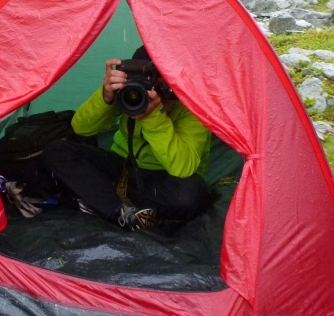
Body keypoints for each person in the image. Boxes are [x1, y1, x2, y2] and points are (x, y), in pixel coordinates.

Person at [42, 45, 212, 230]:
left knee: (192, 194)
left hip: (163, 180)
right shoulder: (131, 90)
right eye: (149, 83)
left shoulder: (194, 104)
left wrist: (153, 117)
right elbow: (81, 127)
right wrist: (106, 97)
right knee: (57, 150)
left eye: (162, 85)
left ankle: (100, 200)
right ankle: (121, 213)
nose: (155, 92)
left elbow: (183, 167)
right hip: (122, 167)